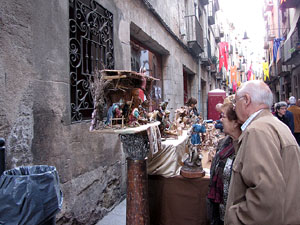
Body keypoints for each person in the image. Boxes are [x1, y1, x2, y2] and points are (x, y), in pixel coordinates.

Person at [225, 80, 300, 225]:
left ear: (246, 100)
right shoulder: (275, 125)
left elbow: (265, 199)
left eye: (235, 102)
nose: (234, 108)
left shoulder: (257, 131)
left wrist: (233, 218)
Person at [207, 99, 242, 225]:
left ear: (235, 123)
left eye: (223, 116)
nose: (220, 119)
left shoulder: (244, 146)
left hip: (235, 214)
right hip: (219, 210)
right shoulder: (224, 143)